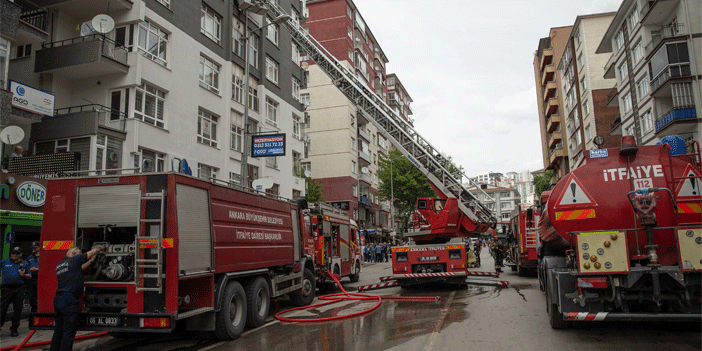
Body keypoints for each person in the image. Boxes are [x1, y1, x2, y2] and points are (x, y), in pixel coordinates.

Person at [50, 245, 106, 351]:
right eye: (80, 254)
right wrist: (101, 248)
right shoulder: (75, 260)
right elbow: (92, 251)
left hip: (58, 299)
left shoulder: (61, 265)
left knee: (58, 331)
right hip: (69, 301)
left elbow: (80, 268)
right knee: (68, 332)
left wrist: (91, 261)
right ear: (74, 254)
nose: (80, 257)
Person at [1, 246, 31, 337]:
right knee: (2, 308)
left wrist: (23, 275)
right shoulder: (4, 261)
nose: (15, 255)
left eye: (17, 253)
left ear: (21, 254)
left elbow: (29, 276)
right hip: (6, 288)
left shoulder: (24, 263)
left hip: (19, 288)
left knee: (17, 309)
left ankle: (14, 329)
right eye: (13, 253)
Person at [26, 241, 40, 313]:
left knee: (39, 296)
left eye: (35, 247)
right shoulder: (30, 257)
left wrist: (37, 269)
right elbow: (26, 266)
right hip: (31, 278)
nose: (33, 248)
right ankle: (33, 312)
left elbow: (47, 268)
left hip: (40, 278)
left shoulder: (43, 256)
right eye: (33, 247)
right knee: (32, 297)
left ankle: (39, 312)